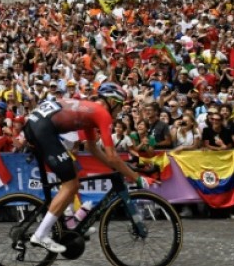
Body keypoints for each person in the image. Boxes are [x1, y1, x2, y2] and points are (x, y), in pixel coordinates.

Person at [23, 82, 146, 253]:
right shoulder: (102, 114)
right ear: (112, 101)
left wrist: (114, 167)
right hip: (43, 129)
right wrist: (136, 177)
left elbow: (92, 147)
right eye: (120, 106)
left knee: (74, 173)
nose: (120, 111)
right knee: (71, 184)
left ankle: (68, 224)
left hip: (38, 125)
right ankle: (41, 234)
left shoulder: (90, 112)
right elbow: (112, 155)